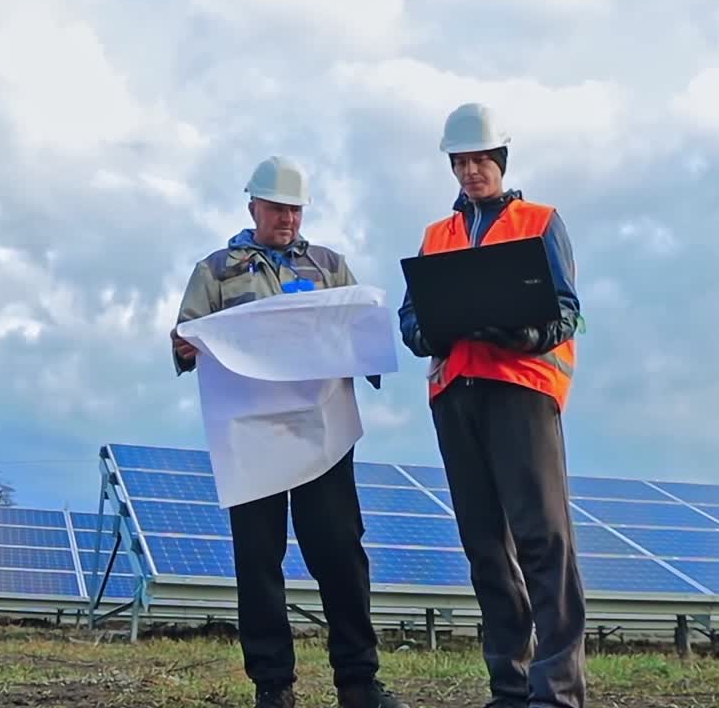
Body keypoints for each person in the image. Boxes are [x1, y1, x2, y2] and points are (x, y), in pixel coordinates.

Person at [172, 156, 407, 708]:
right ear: (253, 206)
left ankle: (358, 680)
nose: (289, 220)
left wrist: (371, 349)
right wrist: (184, 346)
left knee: (341, 555)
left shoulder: (329, 266)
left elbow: (360, 332)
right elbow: (185, 337)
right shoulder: (217, 271)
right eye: (278, 208)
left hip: (321, 435)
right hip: (251, 438)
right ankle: (272, 685)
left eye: (296, 210)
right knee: (258, 559)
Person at [398, 104, 586, 708]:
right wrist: (428, 333)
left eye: (480, 160)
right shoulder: (436, 235)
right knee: (485, 547)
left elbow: (567, 309)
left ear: (500, 161)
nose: (471, 171)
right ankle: (509, 689)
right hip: (456, 397)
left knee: (542, 540)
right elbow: (411, 317)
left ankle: (556, 692)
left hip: (522, 393)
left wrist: (526, 335)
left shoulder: (540, 221)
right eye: (461, 161)